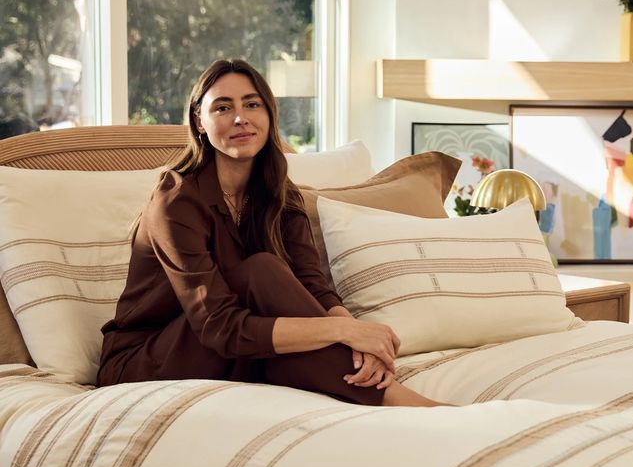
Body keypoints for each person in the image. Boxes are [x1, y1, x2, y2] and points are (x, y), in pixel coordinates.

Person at [96, 58, 445, 407]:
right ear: (199, 122)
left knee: (264, 272)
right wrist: (342, 331)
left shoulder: (279, 192)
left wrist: (359, 340)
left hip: (239, 351)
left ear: (269, 115)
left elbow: (312, 285)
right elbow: (218, 326)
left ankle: (384, 394)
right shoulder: (176, 201)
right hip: (147, 361)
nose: (240, 118)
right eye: (222, 107)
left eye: (252, 104)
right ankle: (404, 402)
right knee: (260, 270)